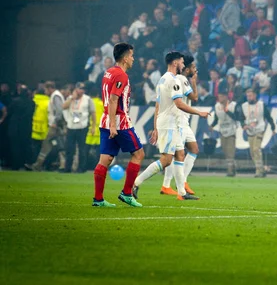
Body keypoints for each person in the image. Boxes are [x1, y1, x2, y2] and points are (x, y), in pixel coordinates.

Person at [135, 52, 209, 201]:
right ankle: (135, 183)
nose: (183, 64)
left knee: (180, 154)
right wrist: (198, 112)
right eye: (181, 62)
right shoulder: (173, 80)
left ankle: (182, 193)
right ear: (175, 63)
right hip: (169, 123)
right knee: (166, 160)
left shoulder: (162, 79)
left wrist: (156, 126)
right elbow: (179, 103)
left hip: (169, 123)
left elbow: (158, 105)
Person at [92, 43, 145, 207]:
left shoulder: (108, 72)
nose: (133, 59)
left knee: (105, 159)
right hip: (119, 122)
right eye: (131, 55)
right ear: (124, 58)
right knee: (139, 154)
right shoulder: (122, 75)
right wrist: (114, 126)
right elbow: (114, 99)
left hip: (106, 119)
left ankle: (98, 199)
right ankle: (127, 193)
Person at [160, 55, 200, 196]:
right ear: (187, 69)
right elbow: (194, 98)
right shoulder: (182, 79)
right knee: (177, 154)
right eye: (193, 68)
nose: (195, 71)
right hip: (180, 120)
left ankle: (177, 183)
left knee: (192, 150)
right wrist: (194, 82)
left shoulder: (179, 79)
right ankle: (173, 184)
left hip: (183, 120)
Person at [26, 81, 65, 171]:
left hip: (55, 125)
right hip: (57, 125)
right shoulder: (55, 95)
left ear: (49, 88)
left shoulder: (55, 96)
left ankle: (38, 165)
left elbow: (59, 111)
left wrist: (55, 122)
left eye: (45, 89)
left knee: (46, 145)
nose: (45, 92)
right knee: (59, 145)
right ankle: (63, 165)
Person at [237, 89, 276, 177]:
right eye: (247, 96)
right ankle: (261, 169)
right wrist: (243, 125)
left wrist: (273, 128)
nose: (249, 98)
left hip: (259, 129)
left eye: (250, 96)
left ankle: (258, 171)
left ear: (255, 95)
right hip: (250, 131)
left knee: (256, 149)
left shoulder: (262, 105)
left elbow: (268, 117)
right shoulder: (244, 106)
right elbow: (241, 118)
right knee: (252, 152)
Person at [62, 82, 96, 173]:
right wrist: (72, 98)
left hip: (82, 126)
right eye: (80, 89)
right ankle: (67, 168)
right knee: (69, 148)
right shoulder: (70, 98)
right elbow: (64, 107)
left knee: (82, 149)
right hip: (71, 126)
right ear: (76, 89)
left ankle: (81, 168)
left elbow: (93, 113)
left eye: (83, 89)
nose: (82, 91)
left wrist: (93, 127)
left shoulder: (88, 99)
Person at [210, 91, 239, 176]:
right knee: (225, 150)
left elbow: (236, 117)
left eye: (222, 96)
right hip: (222, 131)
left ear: (226, 97)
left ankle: (230, 171)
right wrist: (212, 125)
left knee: (230, 151)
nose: (220, 98)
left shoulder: (233, 105)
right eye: (219, 96)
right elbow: (216, 118)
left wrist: (228, 111)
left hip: (231, 131)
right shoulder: (217, 106)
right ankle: (233, 167)